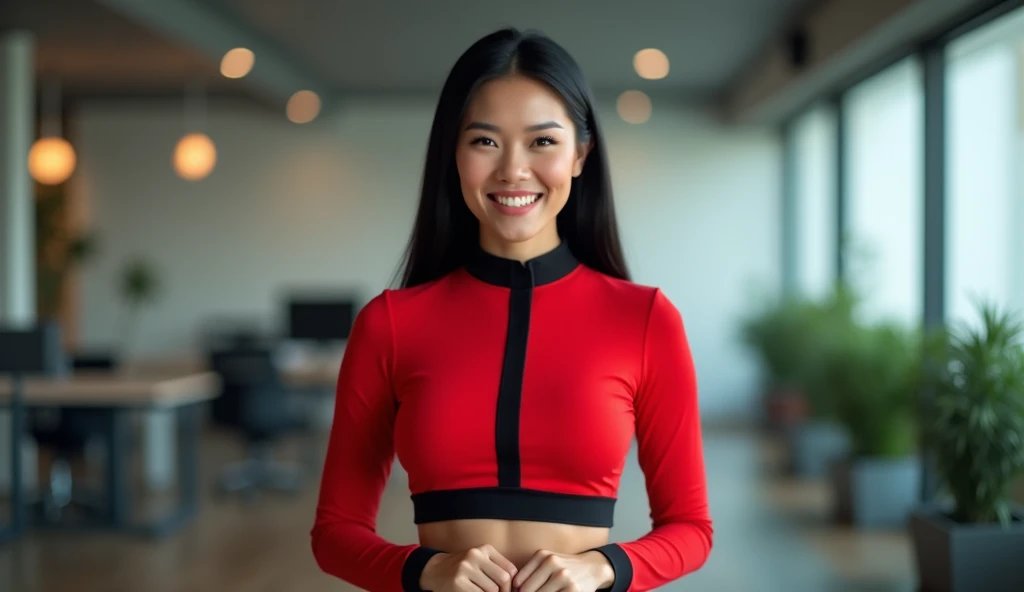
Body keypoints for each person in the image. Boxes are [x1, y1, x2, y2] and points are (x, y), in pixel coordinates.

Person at [311, 27, 712, 592]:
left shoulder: (645, 319)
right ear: (454, 153)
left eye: (543, 142)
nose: (512, 171)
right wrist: (424, 569)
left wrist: (603, 567)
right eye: (485, 141)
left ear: (581, 154)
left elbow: (691, 529)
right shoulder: (390, 324)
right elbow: (335, 532)